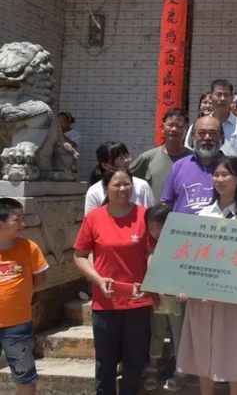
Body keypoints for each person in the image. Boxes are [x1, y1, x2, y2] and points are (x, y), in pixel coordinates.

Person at [176, 157, 237, 395]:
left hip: (233, 296)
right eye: (216, 175)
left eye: (226, 175)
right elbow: (194, 256)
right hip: (202, 296)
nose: (220, 179)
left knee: (234, 351)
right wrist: (185, 286)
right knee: (203, 349)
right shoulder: (204, 214)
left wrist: (225, 289)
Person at [73, 167, 153, 395]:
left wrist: (150, 280)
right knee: (105, 363)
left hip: (138, 302)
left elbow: (152, 252)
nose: (122, 188)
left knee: (134, 362)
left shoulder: (144, 216)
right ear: (106, 188)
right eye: (117, 184)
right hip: (105, 303)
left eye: (127, 183)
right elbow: (79, 256)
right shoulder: (94, 218)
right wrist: (98, 279)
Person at [0, 197, 48, 395]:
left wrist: (20, 294)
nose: (23, 224)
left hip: (18, 324)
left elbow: (40, 279)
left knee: (25, 375)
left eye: (23, 218)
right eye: (17, 220)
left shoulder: (29, 248)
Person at [143, 203, 187, 392]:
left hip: (176, 300)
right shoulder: (151, 249)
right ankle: (153, 368)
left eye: (159, 227)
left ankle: (180, 370)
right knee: (157, 333)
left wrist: (182, 290)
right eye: (151, 228)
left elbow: (185, 273)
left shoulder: (181, 248)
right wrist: (154, 289)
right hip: (157, 300)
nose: (155, 232)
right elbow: (150, 273)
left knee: (179, 335)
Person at [185, 80, 237, 178]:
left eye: (226, 95)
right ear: (211, 97)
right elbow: (188, 155)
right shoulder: (198, 125)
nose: (222, 99)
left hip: (231, 181)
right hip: (201, 177)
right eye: (218, 95)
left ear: (232, 98)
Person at [162, 116, 225, 215]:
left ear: (221, 137)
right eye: (201, 133)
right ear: (192, 137)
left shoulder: (232, 168)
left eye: (213, 133)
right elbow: (167, 204)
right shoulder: (178, 166)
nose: (207, 137)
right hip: (183, 225)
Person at [129, 108, 192, 201]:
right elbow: (126, 178)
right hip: (155, 209)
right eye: (170, 125)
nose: (174, 129)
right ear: (163, 127)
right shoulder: (148, 157)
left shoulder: (194, 159)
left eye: (179, 126)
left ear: (186, 129)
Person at [85, 141, 155, 214]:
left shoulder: (142, 186)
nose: (126, 160)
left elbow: (151, 216)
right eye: (120, 158)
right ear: (105, 165)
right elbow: (90, 219)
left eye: (127, 156)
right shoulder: (94, 191)